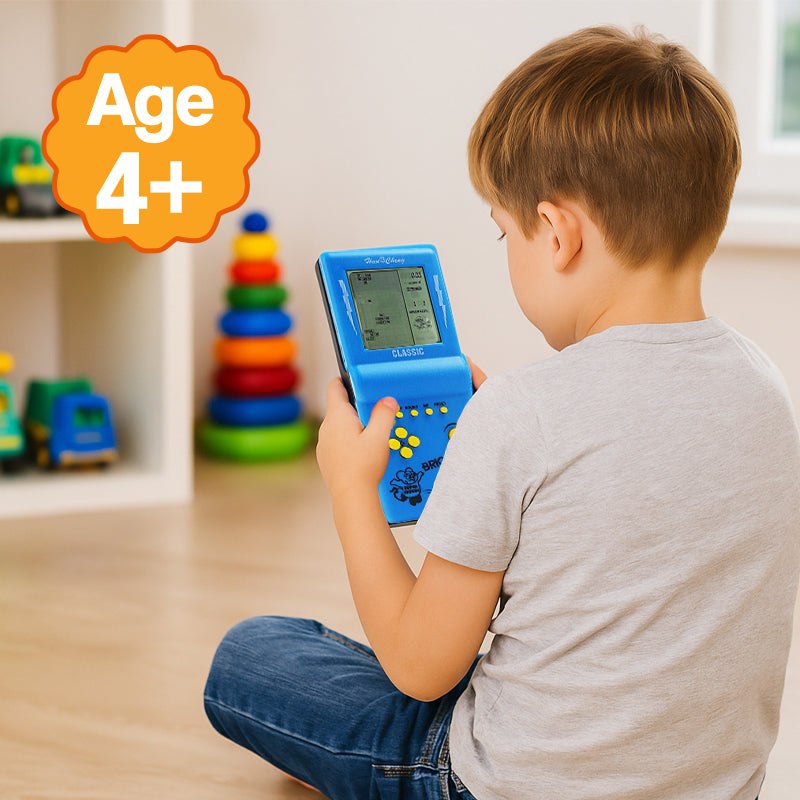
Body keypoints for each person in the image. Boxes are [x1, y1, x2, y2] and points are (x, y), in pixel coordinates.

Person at [203, 25, 800, 800]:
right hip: (715, 785)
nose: (507, 249)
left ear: (556, 233)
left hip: (497, 784)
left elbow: (420, 668)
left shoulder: (523, 414)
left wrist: (352, 492)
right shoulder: (765, 390)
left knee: (254, 655)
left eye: (503, 232)